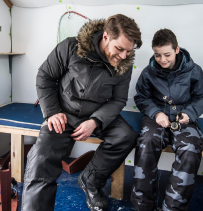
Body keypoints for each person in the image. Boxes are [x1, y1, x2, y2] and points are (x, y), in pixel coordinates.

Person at [24, 14, 142, 211]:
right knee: (41, 160)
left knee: (126, 136)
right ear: (105, 37)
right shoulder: (70, 47)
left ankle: (90, 180)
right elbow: (45, 76)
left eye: (128, 51)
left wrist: (96, 121)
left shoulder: (124, 63)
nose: (123, 56)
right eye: (119, 49)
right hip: (64, 112)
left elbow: (118, 99)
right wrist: (52, 112)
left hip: (98, 113)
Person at [132, 29, 203, 211]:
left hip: (183, 118)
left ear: (177, 50)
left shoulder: (194, 70)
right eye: (157, 55)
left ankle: (173, 208)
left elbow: (202, 97)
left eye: (167, 54)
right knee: (146, 142)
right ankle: (143, 205)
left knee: (191, 148)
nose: (162, 60)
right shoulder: (148, 72)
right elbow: (141, 97)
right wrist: (156, 113)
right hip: (156, 118)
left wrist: (189, 114)